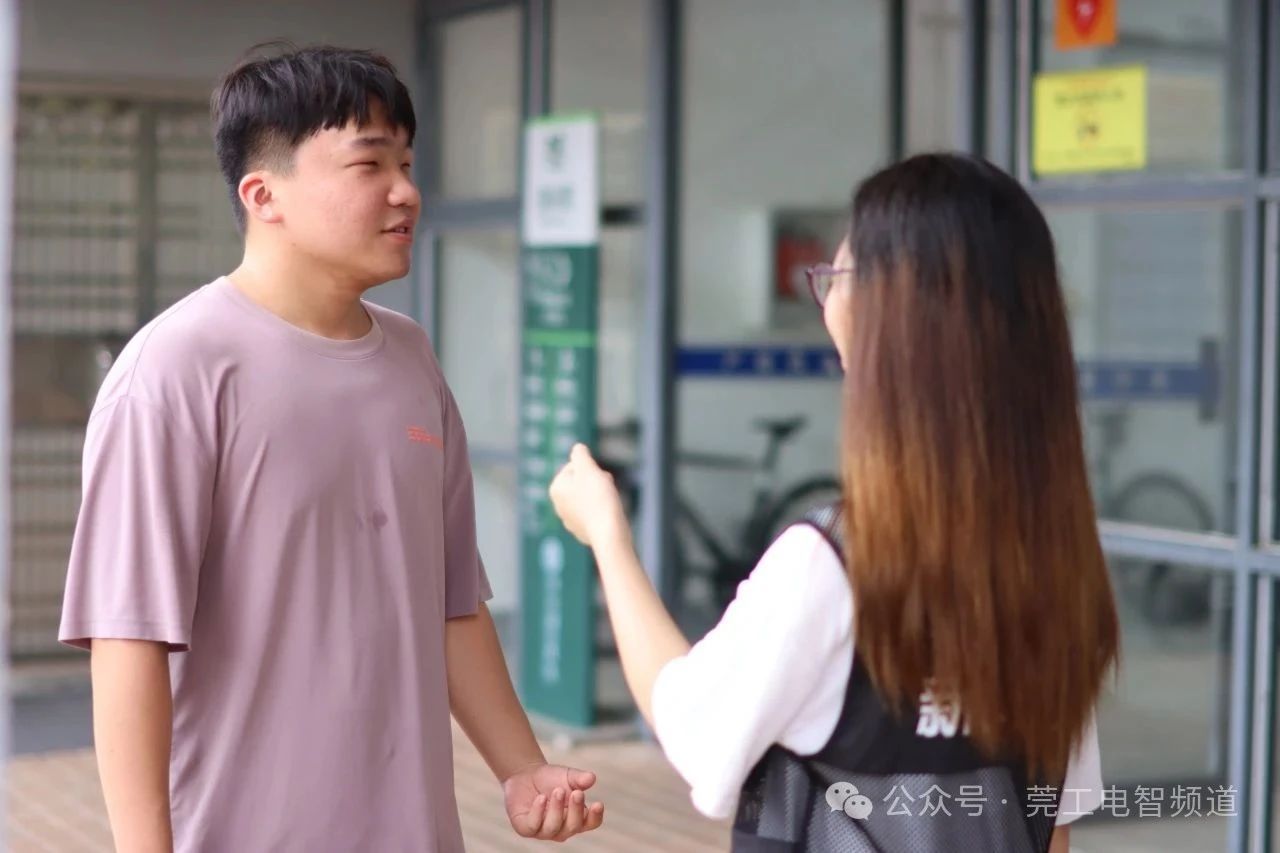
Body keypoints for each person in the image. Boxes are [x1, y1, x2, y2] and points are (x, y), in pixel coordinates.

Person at [59, 44, 604, 852]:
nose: (406, 191)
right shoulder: (175, 370)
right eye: (368, 164)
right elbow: (128, 637)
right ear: (263, 194)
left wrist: (522, 767)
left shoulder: (412, 358)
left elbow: (451, 602)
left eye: (407, 163)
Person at [550, 153, 1120, 852]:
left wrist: (608, 535)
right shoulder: (1057, 561)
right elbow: (1054, 822)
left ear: (893, 315)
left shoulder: (831, 565)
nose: (828, 303)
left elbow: (690, 730)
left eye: (839, 278)